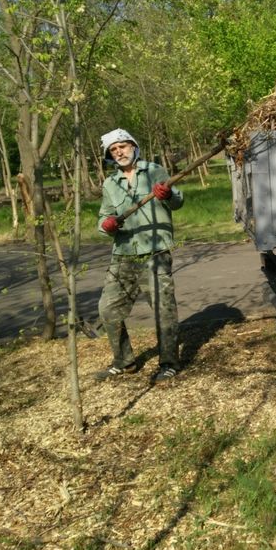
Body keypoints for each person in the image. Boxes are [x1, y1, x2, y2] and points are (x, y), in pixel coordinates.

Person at [94, 128, 184, 382]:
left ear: (133, 146)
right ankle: (124, 361)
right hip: (123, 254)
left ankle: (169, 363)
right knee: (107, 309)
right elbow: (103, 217)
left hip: (155, 252)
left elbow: (177, 202)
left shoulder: (154, 170)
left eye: (122, 146)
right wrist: (107, 225)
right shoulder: (110, 184)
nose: (119, 152)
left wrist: (168, 195)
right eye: (113, 149)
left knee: (163, 310)